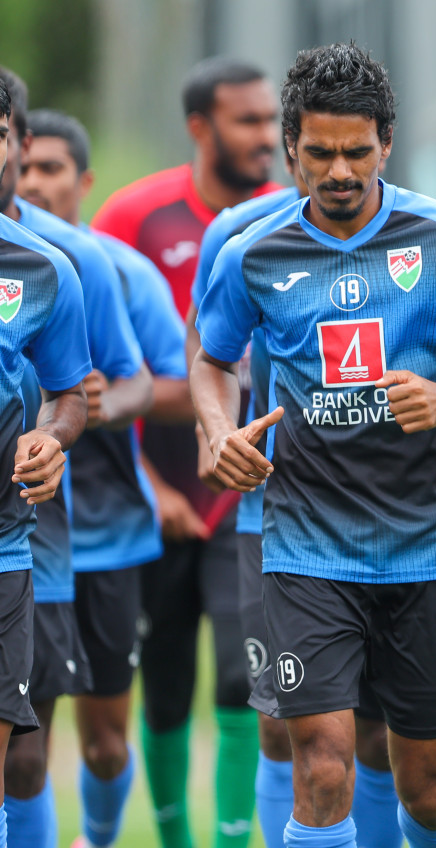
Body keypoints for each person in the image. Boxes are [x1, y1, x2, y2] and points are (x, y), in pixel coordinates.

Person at [192, 41, 436, 848]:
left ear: (386, 143)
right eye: (320, 153)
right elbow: (211, 357)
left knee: (426, 787)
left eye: (357, 151)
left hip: (431, 551)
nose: (340, 170)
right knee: (321, 763)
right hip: (305, 549)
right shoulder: (253, 253)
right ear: (292, 149)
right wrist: (219, 432)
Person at [94, 57, 284, 848]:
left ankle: (234, 839)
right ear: (201, 127)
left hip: (251, 495)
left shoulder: (292, 217)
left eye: (274, 121)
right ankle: (175, 839)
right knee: (164, 690)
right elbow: (95, 372)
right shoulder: (135, 218)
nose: (268, 139)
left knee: (246, 681)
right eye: (250, 122)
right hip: (156, 501)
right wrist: (146, 478)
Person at [19, 108, 186, 848]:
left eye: (50, 168)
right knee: (27, 743)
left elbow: (148, 382)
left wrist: (83, 408)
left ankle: (100, 837)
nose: (35, 182)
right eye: (29, 166)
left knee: (105, 742)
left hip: (110, 535)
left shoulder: (97, 264)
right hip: (25, 542)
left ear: (81, 180)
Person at [0, 77, 154, 848]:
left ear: (17, 145)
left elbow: (112, 385)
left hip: (41, 540)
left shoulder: (68, 264)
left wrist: (57, 433)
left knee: (32, 759)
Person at [0, 76, 92, 848]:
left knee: (17, 768)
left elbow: (74, 396)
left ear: (15, 144)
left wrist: (52, 438)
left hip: (6, 550)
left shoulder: (46, 270)